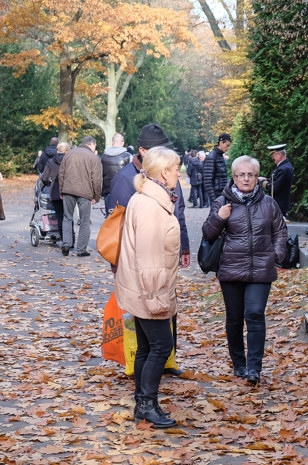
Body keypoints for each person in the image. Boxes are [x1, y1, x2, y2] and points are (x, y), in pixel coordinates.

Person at [106, 123, 189, 376]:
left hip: (161, 269)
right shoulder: (126, 181)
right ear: (143, 152)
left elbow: (179, 214)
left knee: (160, 331)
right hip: (145, 275)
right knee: (151, 335)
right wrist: (118, 265)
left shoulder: (165, 183)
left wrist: (184, 247)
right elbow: (117, 226)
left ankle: (163, 366)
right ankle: (144, 380)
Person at [202, 155, 287, 385]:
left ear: (257, 177)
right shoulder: (222, 202)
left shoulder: (269, 203)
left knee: (255, 314)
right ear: (234, 177)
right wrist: (219, 218)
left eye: (250, 174)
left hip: (261, 268)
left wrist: (276, 254)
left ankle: (254, 368)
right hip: (230, 269)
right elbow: (208, 234)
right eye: (241, 175)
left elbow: (280, 231)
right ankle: (239, 364)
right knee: (235, 319)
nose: (246, 179)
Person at [114, 146, 181, 428]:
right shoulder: (151, 205)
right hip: (149, 290)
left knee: (146, 347)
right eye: (176, 169)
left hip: (140, 288)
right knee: (162, 345)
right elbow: (150, 258)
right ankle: (147, 405)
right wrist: (156, 296)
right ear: (164, 173)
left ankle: (142, 404)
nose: (179, 173)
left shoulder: (147, 198)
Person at [58, 136, 102, 257]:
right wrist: (96, 196)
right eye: (95, 146)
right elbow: (96, 179)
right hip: (85, 193)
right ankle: (81, 249)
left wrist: (61, 190)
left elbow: (61, 173)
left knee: (67, 217)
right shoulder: (93, 157)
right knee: (84, 221)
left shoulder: (69, 154)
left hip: (68, 190)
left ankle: (66, 244)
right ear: (92, 144)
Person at [41, 142, 71, 241]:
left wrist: (48, 183)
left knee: (59, 216)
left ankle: (64, 239)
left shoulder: (50, 161)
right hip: (68, 190)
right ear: (66, 151)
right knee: (68, 216)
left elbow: (44, 177)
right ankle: (70, 240)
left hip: (55, 190)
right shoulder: (69, 160)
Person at [259, 144, 294, 218]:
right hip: (278, 204)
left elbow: (274, 188)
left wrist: (262, 182)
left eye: (273, 155)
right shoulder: (283, 166)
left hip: (279, 204)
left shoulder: (284, 169)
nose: (272, 158)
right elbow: (277, 180)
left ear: (279, 155)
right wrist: (266, 179)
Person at [101, 133, 131, 214]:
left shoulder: (103, 156)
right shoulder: (128, 156)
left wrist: (101, 192)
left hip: (108, 191)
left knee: (109, 217)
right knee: (123, 217)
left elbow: (100, 176)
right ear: (122, 143)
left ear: (112, 142)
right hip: (124, 192)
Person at [203, 133, 231, 203]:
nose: (228, 148)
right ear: (221, 143)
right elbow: (207, 180)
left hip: (221, 195)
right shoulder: (212, 156)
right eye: (227, 145)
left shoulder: (220, 156)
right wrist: (214, 199)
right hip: (216, 196)